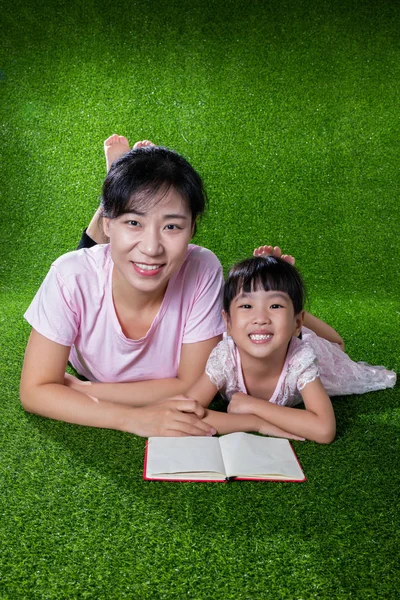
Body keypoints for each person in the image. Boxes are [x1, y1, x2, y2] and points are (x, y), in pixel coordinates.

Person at [21, 140, 227, 437]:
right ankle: (115, 188)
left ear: (193, 229)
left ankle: (124, 190)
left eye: (172, 227)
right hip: (94, 274)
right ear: (109, 224)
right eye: (133, 222)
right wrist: (132, 419)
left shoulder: (203, 267)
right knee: (85, 260)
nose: (152, 247)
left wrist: (86, 389)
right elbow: (35, 390)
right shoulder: (70, 275)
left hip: (92, 375)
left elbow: (192, 384)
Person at [187, 255, 397, 443]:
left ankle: (297, 313)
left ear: (298, 323)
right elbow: (188, 413)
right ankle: (287, 304)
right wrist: (254, 423)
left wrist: (253, 405)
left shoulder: (302, 358)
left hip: (308, 345)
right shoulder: (225, 356)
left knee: (337, 347)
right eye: (247, 306)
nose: (260, 319)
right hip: (283, 332)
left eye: (275, 305)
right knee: (280, 325)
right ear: (228, 323)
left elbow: (324, 430)